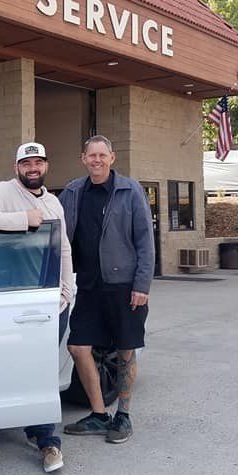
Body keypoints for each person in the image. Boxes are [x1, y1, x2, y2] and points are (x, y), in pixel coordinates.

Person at [0, 141, 75, 473]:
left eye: (38, 162)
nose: (33, 168)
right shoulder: (4, 192)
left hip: (49, 303)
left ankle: (47, 441)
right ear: (17, 167)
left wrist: (67, 290)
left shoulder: (54, 202)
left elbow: (63, 248)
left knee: (41, 371)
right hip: (13, 302)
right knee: (20, 368)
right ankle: (30, 428)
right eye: (27, 163)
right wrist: (25, 219)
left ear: (46, 166)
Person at [60, 135, 154, 444]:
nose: (97, 160)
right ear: (83, 159)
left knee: (125, 349)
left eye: (103, 155)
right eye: (92, 155)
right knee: (78, 347)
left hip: (124, 286)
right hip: (87, 286)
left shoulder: (130, 190)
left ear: (112, 158)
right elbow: (58, 234)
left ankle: (123, 416)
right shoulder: (73, 192)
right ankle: (99, 415)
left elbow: (145, 241)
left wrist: (142, 285)